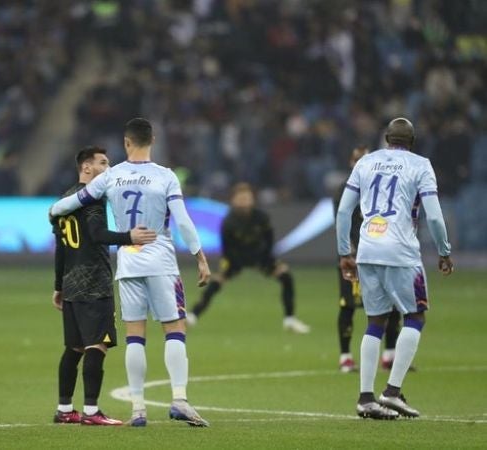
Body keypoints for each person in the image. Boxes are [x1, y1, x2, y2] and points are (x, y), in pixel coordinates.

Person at [50, 118, 212, 427]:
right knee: (174, 329)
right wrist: (200, 257)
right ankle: (179, 399)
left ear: (127, 143)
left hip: (128, 263)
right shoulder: (166, 176)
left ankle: (138, 408)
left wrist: (53, 211)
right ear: (152, 141)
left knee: (135, 336)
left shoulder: (112, 176)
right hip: (161, 260)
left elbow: (73, 202)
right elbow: (183, 220)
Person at [336, 118, 454, 420]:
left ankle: (365, 398)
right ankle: (391, 392)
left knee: (375, 321)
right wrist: (444, 251)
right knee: (415, 316)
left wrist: (343, 253)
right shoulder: (421, 165)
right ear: (412, 141)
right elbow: (435, 218)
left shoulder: (365, 162)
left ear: (386, 138)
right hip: (401, 252)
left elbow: (344, 210)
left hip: (367, 249)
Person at [52, 146, 157, 426]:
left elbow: (60, 248)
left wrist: (58, 285)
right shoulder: (92, 200)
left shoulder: (65, 199)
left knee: (73, 349)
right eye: (103, 163)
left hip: (72, 284)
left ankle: (64, 409)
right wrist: (129, 236)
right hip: (94, 284)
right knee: (96, 346)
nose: (108, 168)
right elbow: (98, 234)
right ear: (86, 168)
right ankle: (91, 411)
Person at [187, 182, 311, 334]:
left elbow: (269, 240)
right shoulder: (229, 222)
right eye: (241, 199)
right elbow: (227, 249)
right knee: (215, 282)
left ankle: (290, 319)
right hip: (235, 258)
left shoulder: (262, 217)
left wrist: (265, 259)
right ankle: (193, 314)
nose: (244, 202)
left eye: (247, 198)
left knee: (286, 276)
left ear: (252, 199)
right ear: (234, 200)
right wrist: (235, 264)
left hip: (259, 255)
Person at [334, 146, 401, 373]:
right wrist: (348, 252)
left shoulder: (384, 187)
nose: (362, 163)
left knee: (392, 303)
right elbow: (342, 221)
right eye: (357, 159)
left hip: (381, 254)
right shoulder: (345, 190)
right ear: (351, 163)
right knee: (349, 305)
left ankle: (389, 355)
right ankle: (345, 357)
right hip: (354, 257)